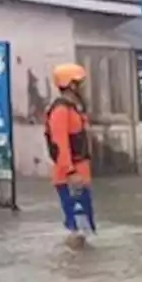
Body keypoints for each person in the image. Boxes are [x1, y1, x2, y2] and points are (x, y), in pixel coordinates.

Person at [46, 63, 95, 251]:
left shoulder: (74, 109)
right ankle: (75, 268)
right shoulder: (61, 110)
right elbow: (60, 144)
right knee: (77, 229)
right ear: (71, 85)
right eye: (80, 83)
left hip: (79, 175)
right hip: (70, 176)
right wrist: (70, 171)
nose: (83, 87)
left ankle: (80, 268)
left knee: (85, 226)